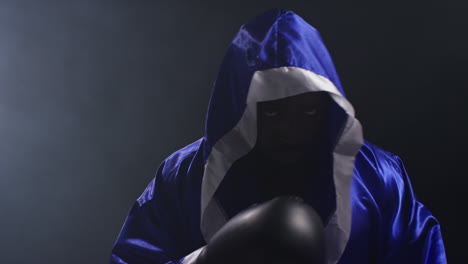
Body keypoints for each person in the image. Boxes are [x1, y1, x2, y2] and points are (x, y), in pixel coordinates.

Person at [110, 9, 447, 264]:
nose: (290, 129)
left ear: (329, 109)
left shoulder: (380, 179)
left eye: (309, 111)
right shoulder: (181, 178)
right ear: (241, 109)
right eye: (273, 112)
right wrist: (208, 259)